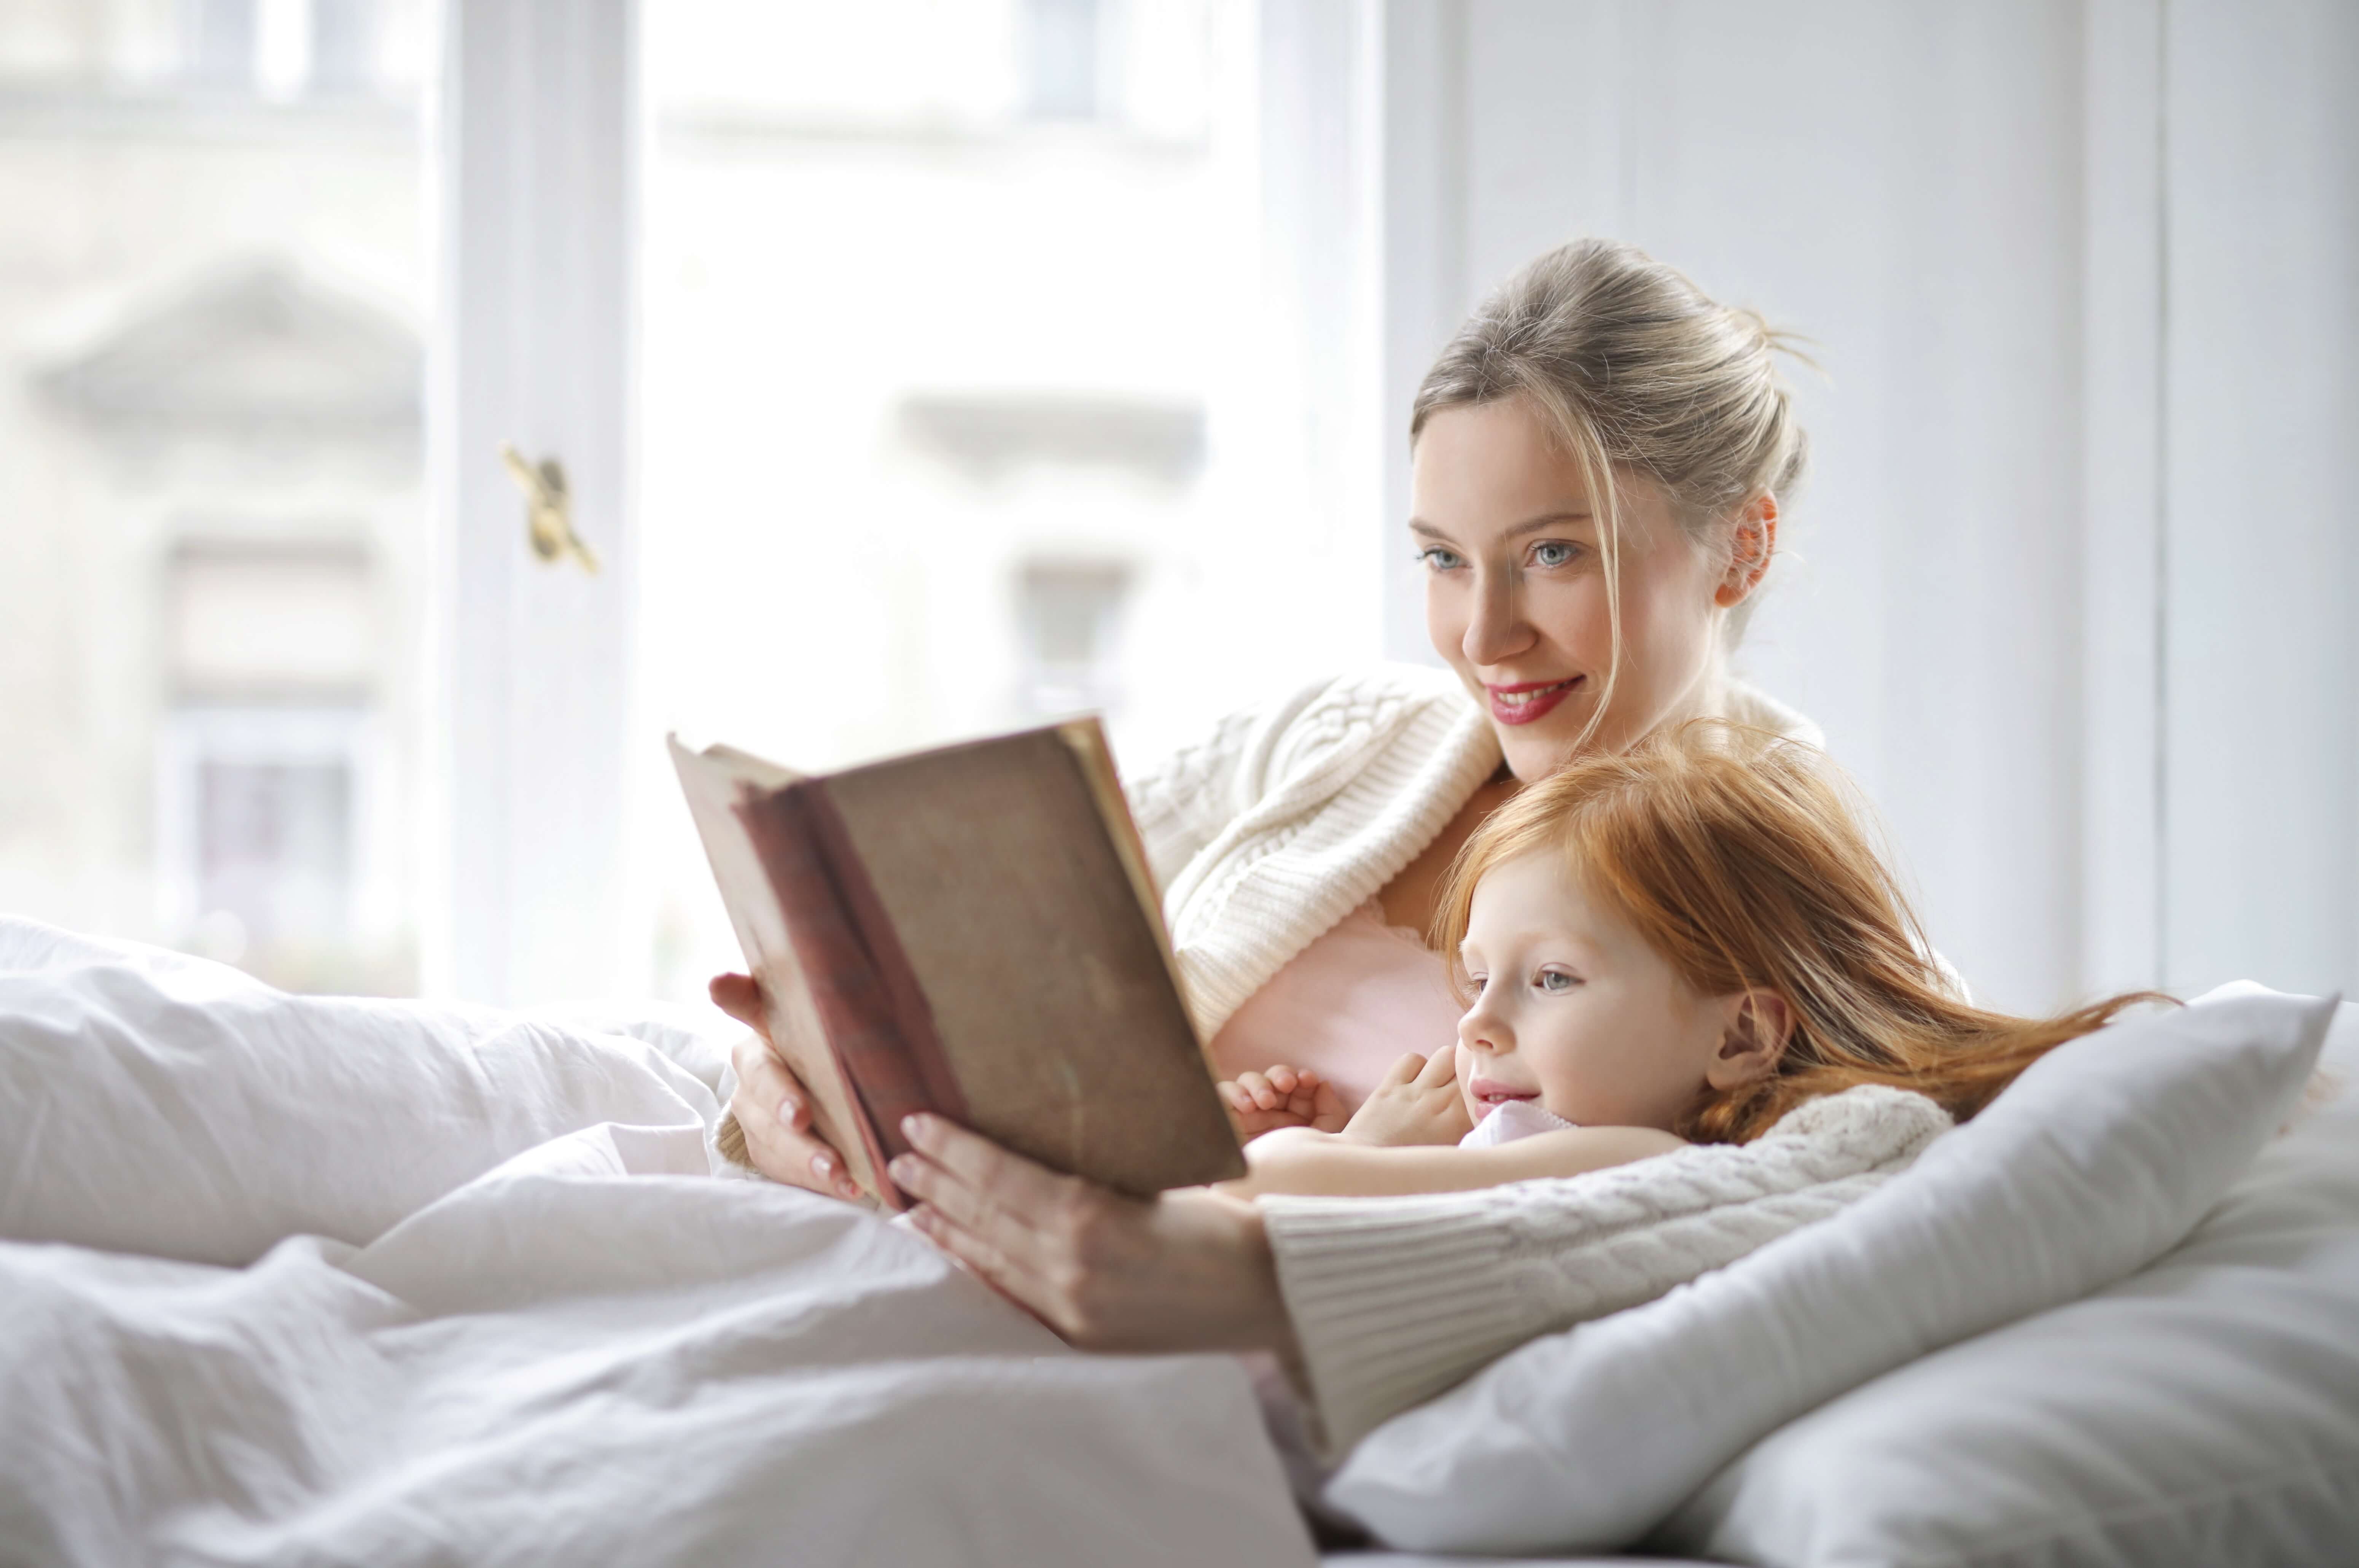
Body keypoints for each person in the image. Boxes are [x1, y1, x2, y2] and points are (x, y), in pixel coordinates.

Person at [707, 237, 1934, 1451]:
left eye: (1556, 554)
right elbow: (956, 955)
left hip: (1177, 1401)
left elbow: (1891, 1183)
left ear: (1746, 547)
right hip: (945, 1288)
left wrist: (1251, 1268)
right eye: (1446, 562)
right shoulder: (1350, 733)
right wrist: (785, 1084)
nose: (1483, 635)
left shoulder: (1786, 874)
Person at [1205, 725, 2151, 1209]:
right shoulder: (1536, 1146)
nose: (1475, 1026)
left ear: (1740, 1034)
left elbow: (1277, 1194)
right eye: (1477, 976)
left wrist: (1354, 1151)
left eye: (1552, 981)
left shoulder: (1634, 1160)